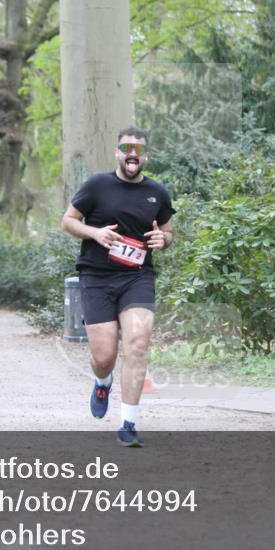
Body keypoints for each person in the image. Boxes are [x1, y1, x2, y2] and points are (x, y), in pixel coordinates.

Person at [61, 126, 175, 447]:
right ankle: (102, 381)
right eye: (127, 148)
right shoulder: (97, 185)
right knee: (104, 355)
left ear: (146, 157)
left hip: (137, 277)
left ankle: (128, 423)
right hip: (97, 277)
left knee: (137, 345)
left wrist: (162, 240)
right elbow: (68, 220)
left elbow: (167, 232)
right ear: (118, 153)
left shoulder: (158, 193)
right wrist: (95, 234)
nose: (132, 155)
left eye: (139, 150)